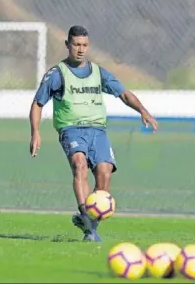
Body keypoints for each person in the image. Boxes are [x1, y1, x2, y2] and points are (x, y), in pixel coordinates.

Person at [29, 26, 158, 242]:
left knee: (104, 173)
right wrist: (35, 132)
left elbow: (124, 93)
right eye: (76, 45)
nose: (81, 49)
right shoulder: (57, 74)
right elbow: (38, 103)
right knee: (79, 164)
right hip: (71, 129)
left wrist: (143, 111)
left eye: (85, 45)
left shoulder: (99, 72)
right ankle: (84, 215)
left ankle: (91, 225)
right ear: (68, 45)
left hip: (97, 130)